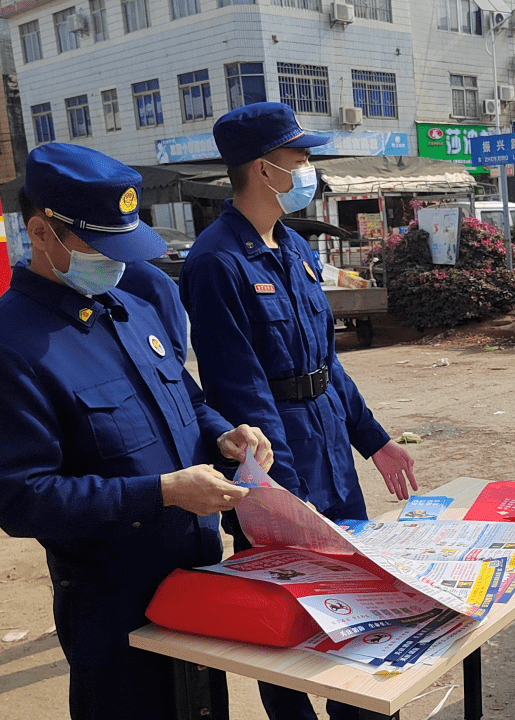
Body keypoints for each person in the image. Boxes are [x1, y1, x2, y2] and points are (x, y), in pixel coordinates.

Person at [0, 143, 273, 720]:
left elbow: (188, 400)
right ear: (42, 232)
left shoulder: (130, 307)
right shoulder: (11, 346)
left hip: (195, 577)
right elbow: (21, 500)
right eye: (102, 247)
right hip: (113, 607)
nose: (119, 263)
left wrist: (225, 435)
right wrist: (162, 492)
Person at [178, 102, 417, 720]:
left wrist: (377, 442)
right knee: (286, 615)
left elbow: (325, 366)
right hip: (279, 466)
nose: (310, 171)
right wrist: (279, 492)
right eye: (301, 159)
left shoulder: (292, 247)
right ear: (265, 169)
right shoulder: (217, 261)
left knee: (358, 604)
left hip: (333, 453)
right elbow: (239, 392)